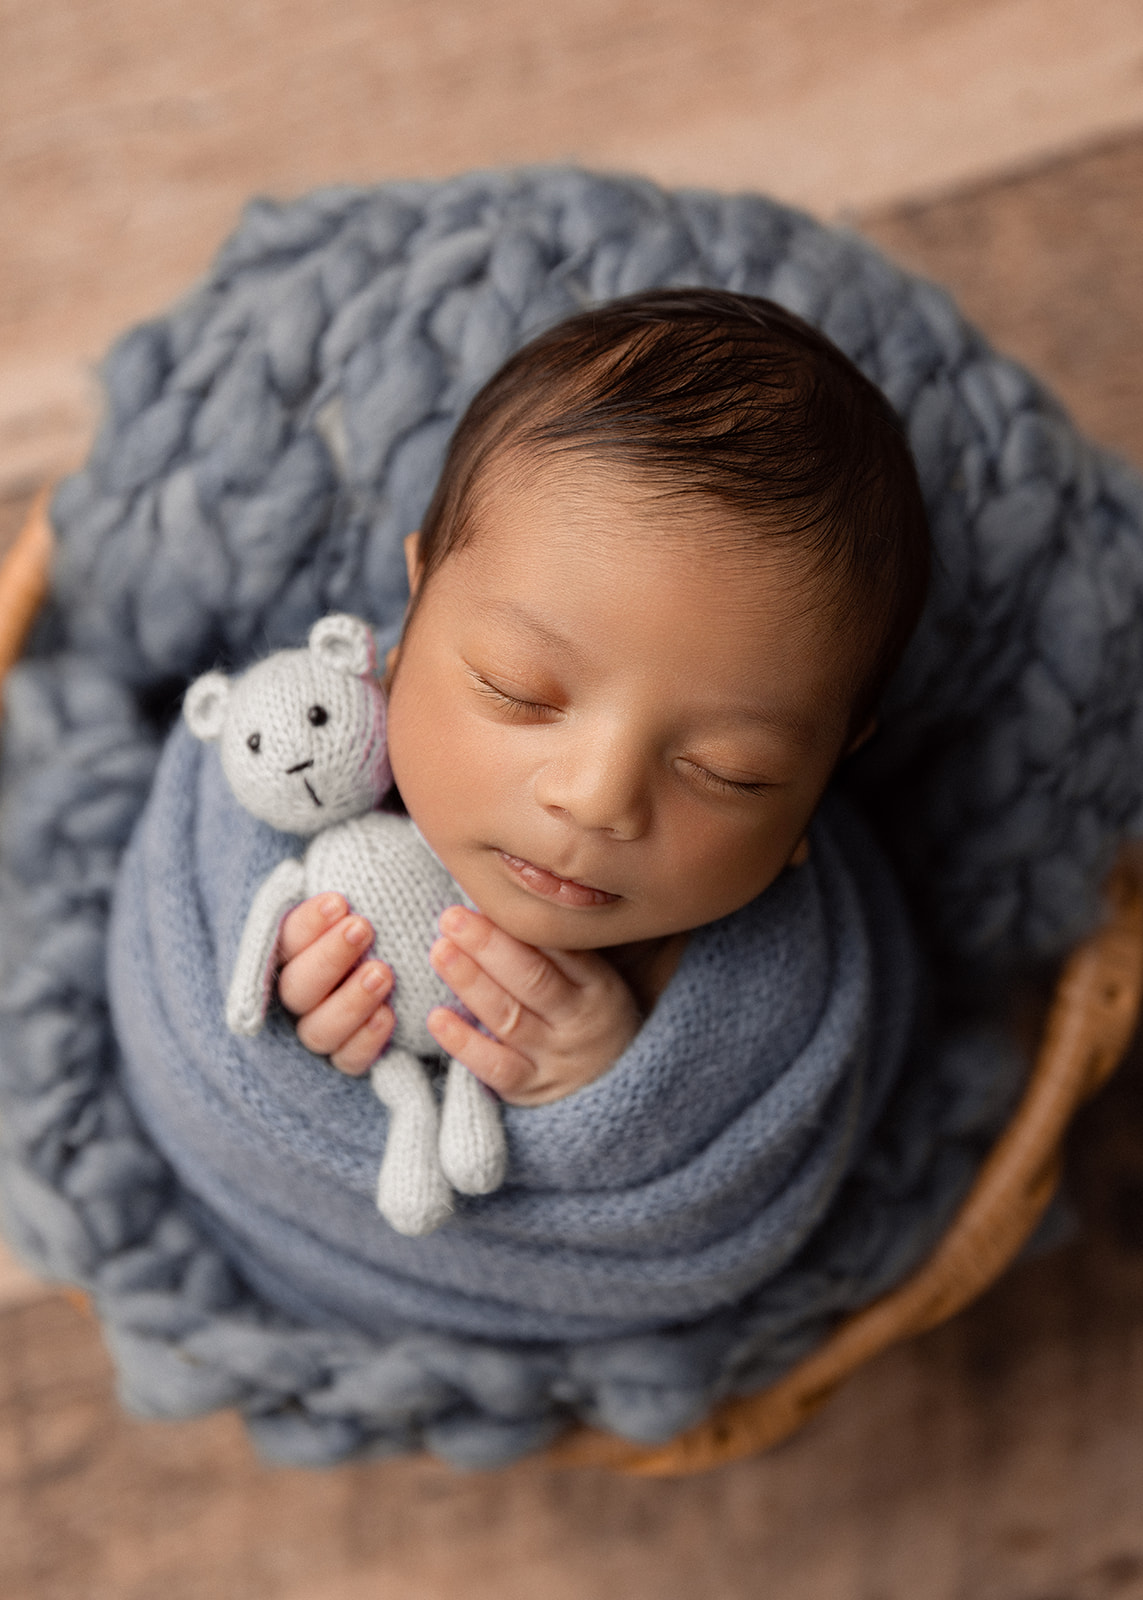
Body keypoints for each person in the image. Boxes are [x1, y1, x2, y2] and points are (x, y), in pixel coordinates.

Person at [268, 286, 930, 1109]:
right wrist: (268, 982)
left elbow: (749, 1191)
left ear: (820, 783)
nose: (596, 799)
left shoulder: (778, 987)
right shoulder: (304, 734)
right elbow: (194, 905)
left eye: (727, 771)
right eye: (517, 691)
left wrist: (608, 1091)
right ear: (415, 607)